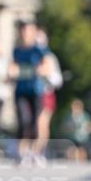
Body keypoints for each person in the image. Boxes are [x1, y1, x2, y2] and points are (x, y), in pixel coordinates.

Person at [9, 21, 50, 162]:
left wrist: (40, 70)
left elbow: (47, 66)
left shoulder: (39, 50)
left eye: (28, 31)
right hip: (20, 90)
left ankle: (34, 151)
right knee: (22, 121)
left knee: (34, 123)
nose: (26, 34)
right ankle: (21, 152)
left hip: (35, 90)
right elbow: (11, 68)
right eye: (23, 31)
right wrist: (11, 72)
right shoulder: (17, 50)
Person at [35, 27, 63, 160]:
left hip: (45, 94)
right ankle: (28, 152)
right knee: (30, 123)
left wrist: (47, 74)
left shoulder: (50, 57)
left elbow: (58, 80)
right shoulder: (27, 55)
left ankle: (40, 152)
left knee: (42, 123)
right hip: (30, 93)